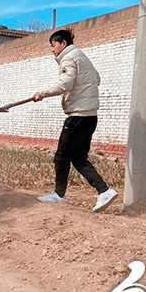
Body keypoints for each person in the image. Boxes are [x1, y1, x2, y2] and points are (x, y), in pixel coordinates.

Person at [32, 29, 118, 212]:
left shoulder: (69, 57)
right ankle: (103, 191)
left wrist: (42, 93)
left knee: (62, 156)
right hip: (89, 116)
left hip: (78, 116)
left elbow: (65, 84)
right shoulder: (81, 56)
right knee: (78, 157)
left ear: (63, 44)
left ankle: (59, 195)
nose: (52, 50)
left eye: (53, 45)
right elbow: (96, 78)